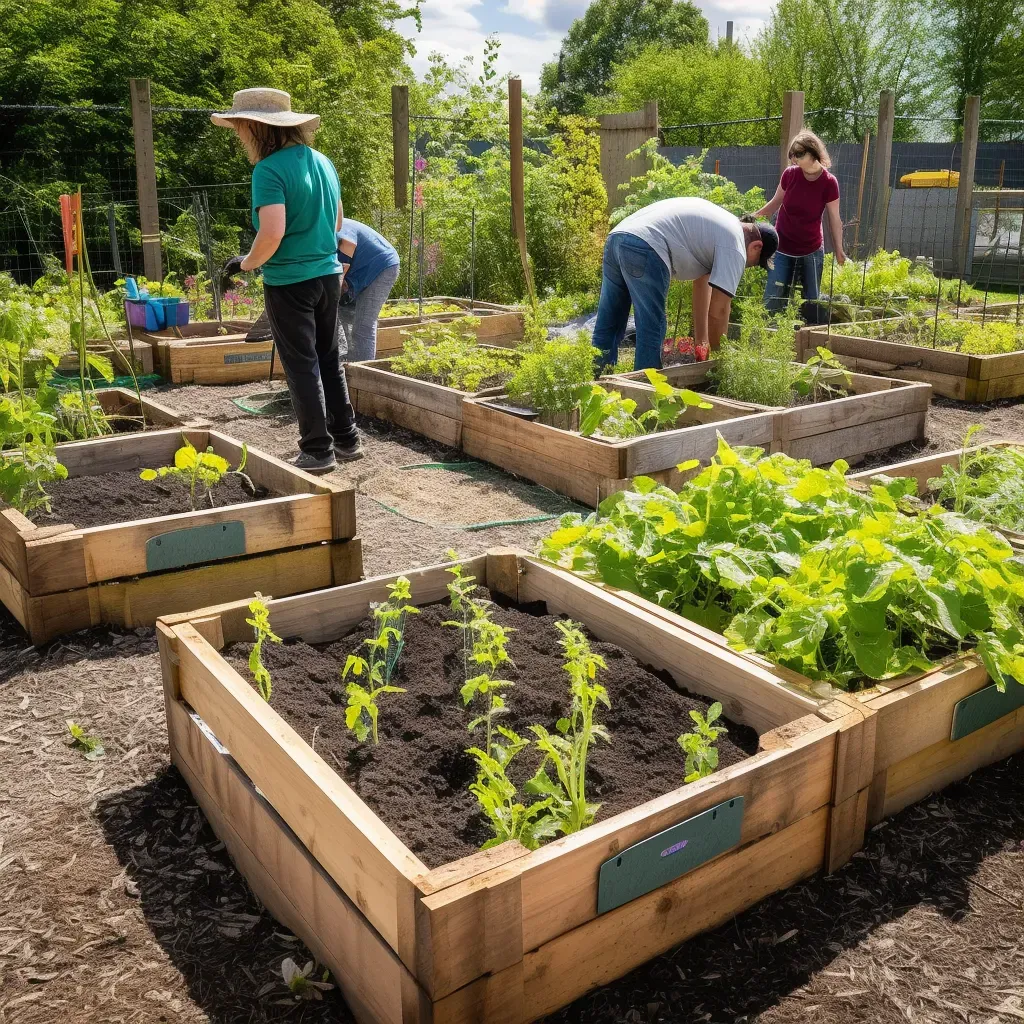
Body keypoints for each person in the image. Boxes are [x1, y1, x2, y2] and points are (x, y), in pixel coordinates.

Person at [213, 87, 362, 473]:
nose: (238, 136)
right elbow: (338, 222)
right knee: (330, 358)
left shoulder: (269, 170)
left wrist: (246, 264)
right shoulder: (322, 162)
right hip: (328, 275)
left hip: (289, 282)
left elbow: (273, 232)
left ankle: (317, 450)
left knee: (301, 365)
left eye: (239, 128)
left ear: (256, 127)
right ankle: (347, 438)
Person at [592, 197, 778, 372]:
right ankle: (644, 391)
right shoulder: (736, 244)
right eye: (753, 263)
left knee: (610, 320)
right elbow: (719, 311)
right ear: (757, 247)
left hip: (618, 236)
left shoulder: (721, 229)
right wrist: (721, 359)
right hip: (646, 244)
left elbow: (701, 287)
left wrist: (702, 343)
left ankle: (596, 382)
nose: (746, 266)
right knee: (652, 326)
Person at [756, 129, 846, 314]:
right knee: (773, 301)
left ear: (813, 153)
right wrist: (750, 219)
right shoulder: (790, 175)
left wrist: (839, 250)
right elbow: (774, 204)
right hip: (782, 247)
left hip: (811, 250)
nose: (793, 159)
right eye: (792, 154)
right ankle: (772, 337)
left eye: (798, 154)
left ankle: (806, 339)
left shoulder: (829, 182)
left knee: (811, 305)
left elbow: (835, 220)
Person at [335, 219, 401, 362]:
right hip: (360, 270)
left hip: (381, 266)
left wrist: (336, 283)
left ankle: (364, 372)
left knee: (363, 326)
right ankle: (349, 365)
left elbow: (348, 244)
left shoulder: (335, 224)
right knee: (345, 314)